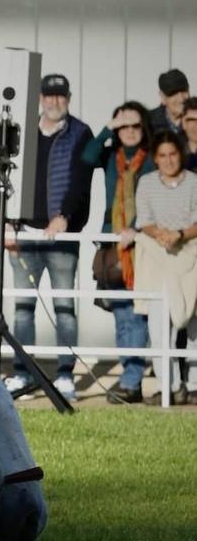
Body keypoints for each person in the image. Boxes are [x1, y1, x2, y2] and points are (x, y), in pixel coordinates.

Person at [3, 71, 93, 401]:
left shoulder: (81, 133)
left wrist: (64, 218)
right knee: (23, 308)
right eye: (49, 95)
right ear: (40, 99)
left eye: (61, 96)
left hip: (61, 239)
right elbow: (5, 175)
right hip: (24, 233)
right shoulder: (20, 132)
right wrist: (7, 222)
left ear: (68, 98)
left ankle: (65, 374)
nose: (55, 101)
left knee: (64, 306)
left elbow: (81, 182)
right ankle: (23, 374)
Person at [82, 102, 154, 402]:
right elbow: (86, 157)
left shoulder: (151, 158)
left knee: (136, 315)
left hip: (142, 242)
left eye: (135, 125)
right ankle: (129, 377)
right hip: (114, 244)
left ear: (144, 128)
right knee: (121, 314)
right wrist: (107, 129)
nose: (129, 131)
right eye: (123, 126)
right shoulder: (111, 156)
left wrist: (136, 229)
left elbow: (154, 200)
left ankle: (132, 380)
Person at [131, 130, 197, 401]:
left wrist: (180, 234)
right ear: (155, 159)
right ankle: (168, 387)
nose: (169, 160)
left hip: (190, 255)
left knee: (193, 324)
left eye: (173, 154)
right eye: (162, 155)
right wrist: (160, 234)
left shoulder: (194, 182)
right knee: (159, 327)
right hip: (157, 256)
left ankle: (193, 385)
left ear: (180, 155)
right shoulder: (146, 183)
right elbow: (143, 219)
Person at [147, 67, 188, 143]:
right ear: (162, 97)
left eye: (184, 91)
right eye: (174, 93)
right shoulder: (148, 121)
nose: (181, 98)